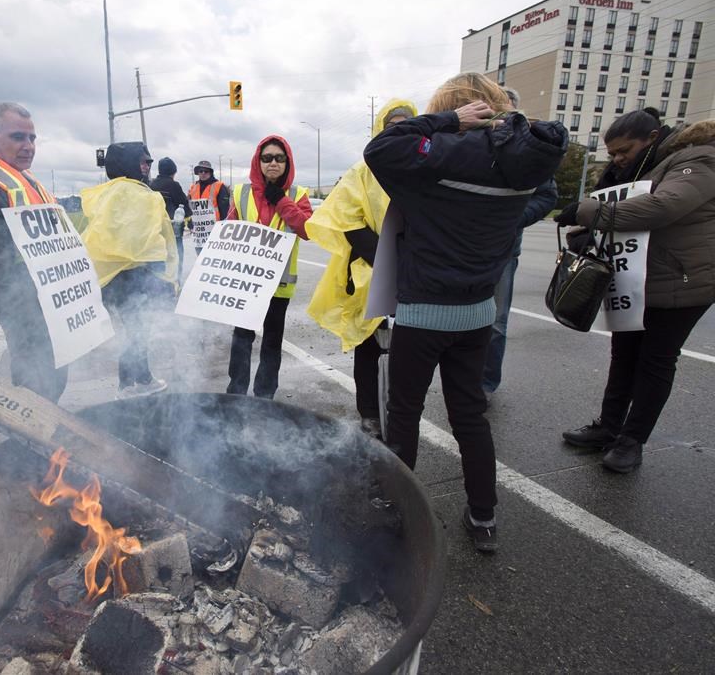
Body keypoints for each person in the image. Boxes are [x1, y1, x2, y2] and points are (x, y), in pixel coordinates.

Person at [364, 72, 567, 553]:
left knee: (404, 416)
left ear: (459, 111)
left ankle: (397, 513)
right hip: (477, 312)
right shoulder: (521, 164)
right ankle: (484, 516)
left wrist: (447, 120)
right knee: (470, 417)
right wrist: (510, 221)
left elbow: (382, 148)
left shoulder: (440, 158)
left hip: (423, 313)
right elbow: (545, 196)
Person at [556, 109, 715, 473]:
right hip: (639, 276)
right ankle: (609, 427)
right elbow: (631, 211)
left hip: (682, 279)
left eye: (624, 151)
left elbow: (663, 206)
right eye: (612, 154)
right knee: (623, 353)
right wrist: (591, 233)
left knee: (655, 361)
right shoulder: (650, 166)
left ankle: (632, 441)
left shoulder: (699, 159)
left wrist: (587, 212)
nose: (618, 159)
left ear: (653, 138)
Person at [307, 98, 417, 438]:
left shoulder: (423, 167)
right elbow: (346, 219)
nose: (399, 132)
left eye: (406, 126)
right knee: (368, 347)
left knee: (409, 349)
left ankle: (400, 413)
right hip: (370, 273)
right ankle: (369, 412)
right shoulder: (362, 172)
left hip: (415, 273)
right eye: (392, 126)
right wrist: (385, 258)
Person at [0, 102, 68, 402]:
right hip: (25, 308)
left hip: (47, 302)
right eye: (18, 137)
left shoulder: (26, 180)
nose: (28, 146)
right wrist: (15, 306)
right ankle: (33, 443)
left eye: (32, 138)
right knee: (35, 383)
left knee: (54, 377)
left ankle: (47, 438)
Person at [82, 142, 178, 398]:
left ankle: (139, 379)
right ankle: (130, 385)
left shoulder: (103, 194)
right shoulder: (142, 195)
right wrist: (168, 276)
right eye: (144, 161)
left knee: (132, 330)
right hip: (134, 276)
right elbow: (157, 239)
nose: (148, 166)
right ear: (129, 163)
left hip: (110, 277)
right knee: (136, 331)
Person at [481, 87, 559, 401]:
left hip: (503, 251)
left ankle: (484, 386)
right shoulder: (474, 143)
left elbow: (546, 195)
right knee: (456, 322)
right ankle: (459, 381)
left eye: (508, 114)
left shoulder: (528, 153)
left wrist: (511, 218)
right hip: (464, 248)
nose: (503, 121)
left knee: (495, 322)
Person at [226, 136, 313, 398]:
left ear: (287, 162)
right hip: (246, 282)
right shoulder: (241, 193)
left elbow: (307, 230)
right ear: (258, 161)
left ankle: (264, 397)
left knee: (272, 344)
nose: (273, 163)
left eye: (279, 158)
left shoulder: (298, 195)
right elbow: (229, 230)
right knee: (241, 340)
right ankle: (236, 393)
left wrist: (282, 201)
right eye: (267, 158)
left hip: (279, 285)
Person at [149, 157, 191, 282]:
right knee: (176, 256)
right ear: (174, 171)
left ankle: (158, 282)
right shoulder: (174, 185)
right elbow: (184, 206)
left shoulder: (151, 184)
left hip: (154, 230)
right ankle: (175, 282)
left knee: (158, 258)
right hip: (173, 231)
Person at [187, 160, 231, 254]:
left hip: (214, 231)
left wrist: (222, 229)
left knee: (213, 258)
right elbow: (191, 209)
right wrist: (190, 222)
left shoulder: (219, 186)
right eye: (200, 171)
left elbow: (225, 210)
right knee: (200, 259)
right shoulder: (193, 187)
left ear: (210, 172)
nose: (203, 173)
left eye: (206, 171)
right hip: (199, 234)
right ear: (198, 173)